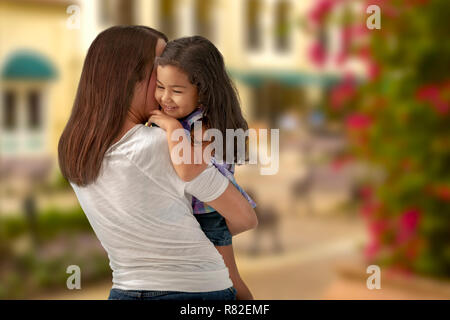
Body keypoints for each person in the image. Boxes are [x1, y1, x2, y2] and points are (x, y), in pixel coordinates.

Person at [57, 26, 257, 300]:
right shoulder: (165, 142)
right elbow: (245, 217)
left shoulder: (76, 149)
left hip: (124, 290)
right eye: (160, 67)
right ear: (132, 77)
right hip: (196, 290)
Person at [147, 36, 256, 300]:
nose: (164, 97)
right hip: (188, 215)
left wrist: (171, 127)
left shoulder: (204, 125)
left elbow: (187, 169)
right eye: (160, 86)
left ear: (203, 91)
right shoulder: (184, 117)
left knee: (229, 280)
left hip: (209, 217)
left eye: (177, 90)